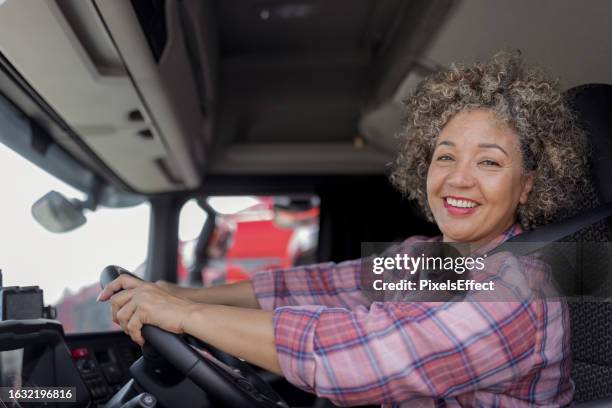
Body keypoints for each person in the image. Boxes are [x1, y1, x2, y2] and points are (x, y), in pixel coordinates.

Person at [97, 52, 588, 407]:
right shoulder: (430, 259)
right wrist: (182, 294)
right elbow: (326, 285)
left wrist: (184, 317)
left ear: (527, 186)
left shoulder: (522, 290)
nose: (458, 178)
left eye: (488, 161)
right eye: (445, 157)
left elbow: (369, 355)